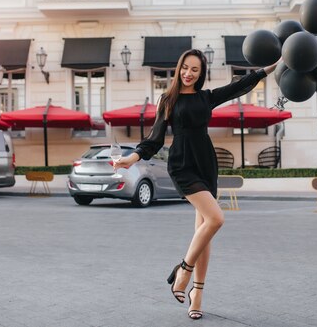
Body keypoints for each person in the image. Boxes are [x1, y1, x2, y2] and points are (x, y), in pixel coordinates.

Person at [114, 49, 278, 320]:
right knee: (216, 219)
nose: (188, 74)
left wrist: (272, 68)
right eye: (185, 68)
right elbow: (154, 139)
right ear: (179, 69)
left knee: (204, 229)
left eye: (195, 70)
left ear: (201, 74)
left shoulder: (207, 98)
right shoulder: (167, 99)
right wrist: (131, 159)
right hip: (182, 164)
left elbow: (240, 85)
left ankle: (197, 294)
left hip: (205, 163)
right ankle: (183, 270)